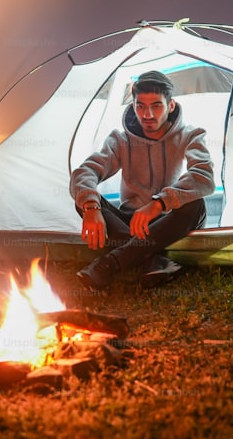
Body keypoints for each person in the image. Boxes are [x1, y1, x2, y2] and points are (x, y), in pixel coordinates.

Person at [70, 70, 215, 289]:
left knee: (196, 204)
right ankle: (153, 259)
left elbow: (203, 176)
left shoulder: (191, 135)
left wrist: (158, 203)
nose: (147, 114)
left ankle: (111, 262)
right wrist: (91, 207)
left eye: (156, 105)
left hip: (168, 221)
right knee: (85, 198)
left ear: (171, 105)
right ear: (134, 105)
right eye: (140, 106)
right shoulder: (120, 139)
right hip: (129, 222)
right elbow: (85, 172)